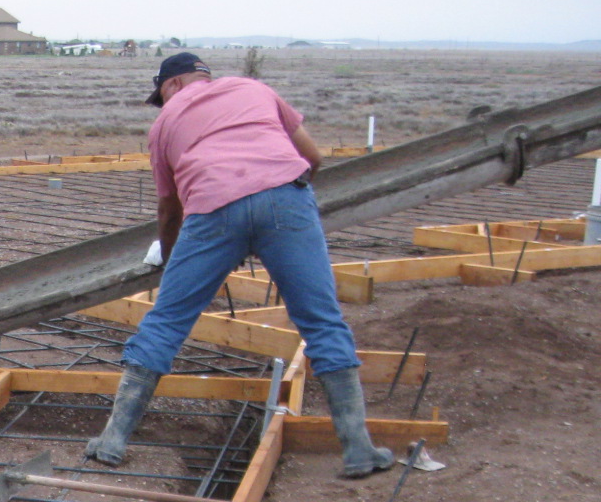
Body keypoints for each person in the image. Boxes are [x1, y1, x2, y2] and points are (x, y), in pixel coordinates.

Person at [86, 53, 394, 479]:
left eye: (160, 96)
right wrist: (279, 210)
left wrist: (175, 262)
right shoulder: (255, 89)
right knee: (322, 322)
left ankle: (113, 441)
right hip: (286, 197)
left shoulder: (164, 123)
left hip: (211, 213)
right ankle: (358, 449)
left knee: (166, 323)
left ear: (172, 85)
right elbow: (313, 158)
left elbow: (169, 208)